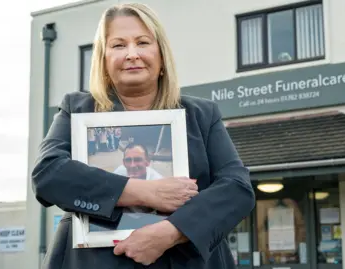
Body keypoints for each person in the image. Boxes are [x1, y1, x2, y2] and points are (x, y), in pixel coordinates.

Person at [31, 3, 255, 269]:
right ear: (103, 60)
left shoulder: (202, 114)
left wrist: (171, 232)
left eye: (142, 42)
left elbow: (237, 189)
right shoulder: (76, 109)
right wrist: (144, 191)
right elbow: (48, 174)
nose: (132, 54)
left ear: (161, 56)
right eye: (118, 45)